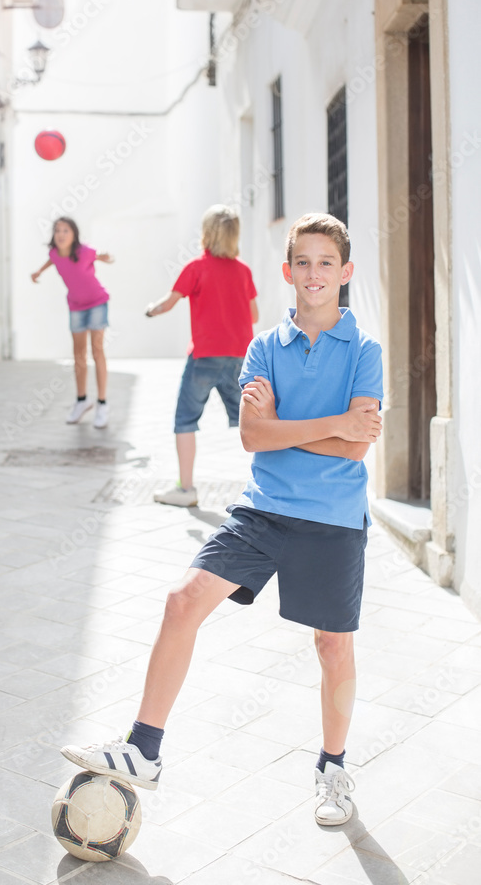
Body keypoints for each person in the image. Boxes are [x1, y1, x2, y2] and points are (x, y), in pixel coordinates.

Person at [61, 213, 383, 827]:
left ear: (345, 272)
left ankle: (332, 769)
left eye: (326, 263)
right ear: (287, 273)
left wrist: (291, 430)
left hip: (334, 520)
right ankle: (143, 750)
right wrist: (331, 422)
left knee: (332, 647)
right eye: (303, 263)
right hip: (264, 510)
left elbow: (355, 448)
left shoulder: (364, 351)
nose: (314, 275)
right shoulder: (263, 346)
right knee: (183, 599)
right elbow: (251, 434)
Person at [146, 205, 258, 507]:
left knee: (185, 419)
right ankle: (271, 488)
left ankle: (186, 490)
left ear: (206, 234)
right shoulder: (243, 271)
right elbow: (254, 314)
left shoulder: (196, 268)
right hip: (239, 357)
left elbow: (168, 303)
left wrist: (151, 309)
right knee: (252, 423)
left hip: (205, 356)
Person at [31, 217, 113, 428]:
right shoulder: (54, 254)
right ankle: (82, 400)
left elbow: (99, 254)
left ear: (74, 234)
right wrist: (39, 271)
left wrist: (106, 257)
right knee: (78, 355)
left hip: (97, 303)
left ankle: (102, 404)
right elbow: (52, 260)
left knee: (97, 351)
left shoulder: (85, 252)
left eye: (66, 230)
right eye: (57, 230)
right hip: (76, 306)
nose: (61, 234)